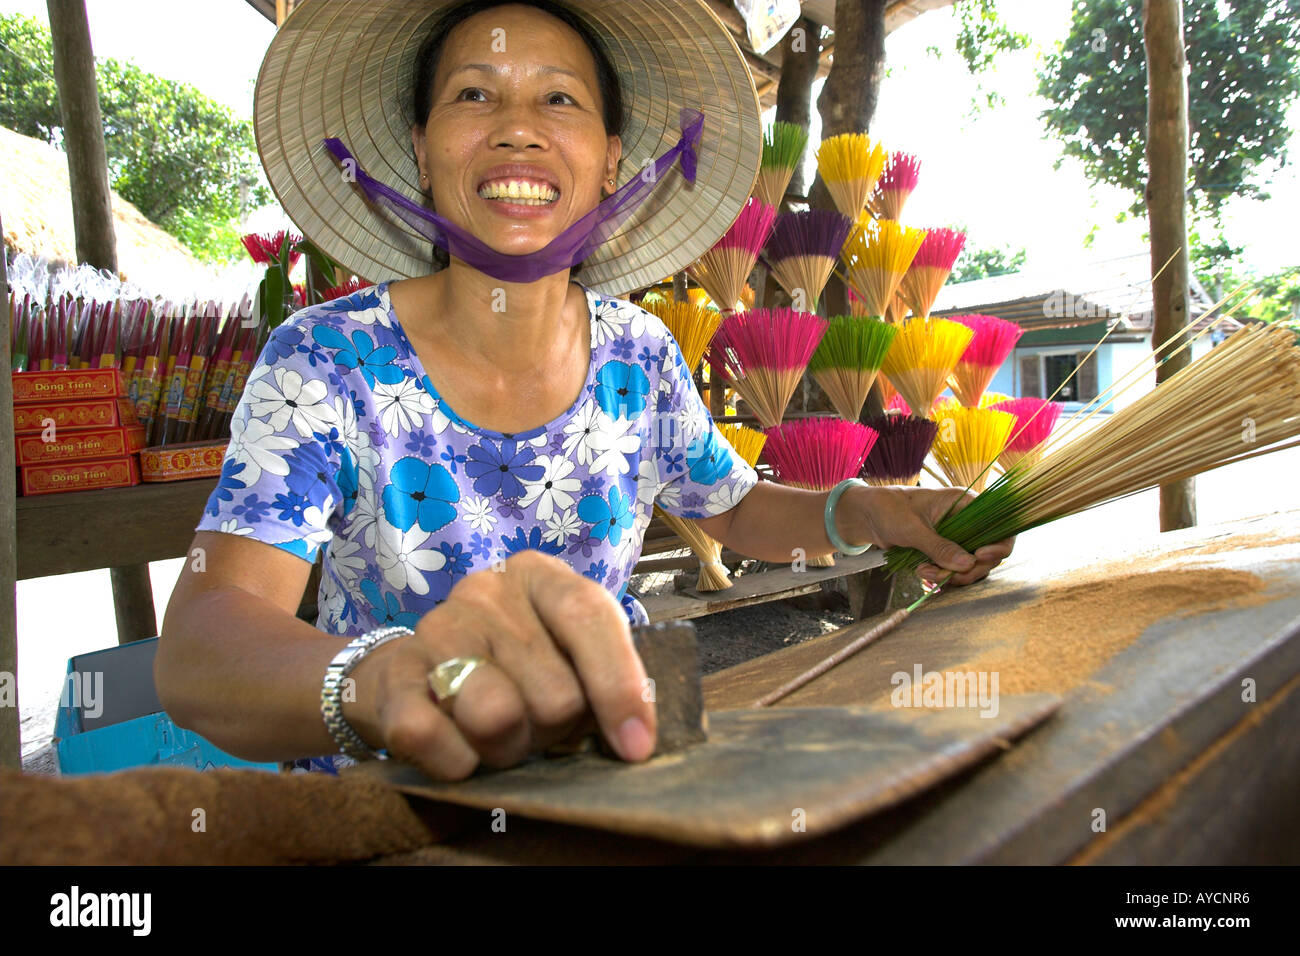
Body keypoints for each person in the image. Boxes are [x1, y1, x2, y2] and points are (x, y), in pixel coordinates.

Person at [156, 0, 1015, 781]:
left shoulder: (637, 355)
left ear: (612, 162)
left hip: (616, 779)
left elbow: (736, 508)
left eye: (560, 99)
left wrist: (858, 512)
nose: (518, 130)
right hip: (400, 808)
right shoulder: (325, 360)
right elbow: (204, 644)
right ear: (420, 150)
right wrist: (384, 679)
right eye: (473, 95)